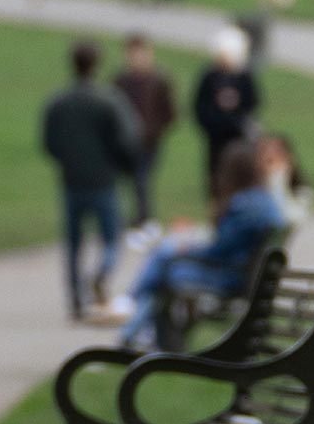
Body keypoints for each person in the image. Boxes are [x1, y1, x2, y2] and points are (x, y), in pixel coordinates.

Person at [118, 142, 288, 353]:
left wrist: (187, 250)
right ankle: (137, 329)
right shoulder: (263, 201)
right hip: (241, 273)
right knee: (166, 259)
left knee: (166, 262)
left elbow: (218, 250)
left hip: (230, 277)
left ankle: (133, 320)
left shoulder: (245, 204)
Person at [41, 40, 139, 320]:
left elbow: (49, 142)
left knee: (74, 244)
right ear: (96, 64)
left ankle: (75, 300)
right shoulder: (109, 100)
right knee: (111, 239)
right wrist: (124, 167)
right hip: (104, 181)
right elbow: (126, 140)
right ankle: (101, 274)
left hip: (71, 181)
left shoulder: (59, 103)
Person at [111, 33, 175, 236]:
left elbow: (169, 112)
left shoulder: (159, 80)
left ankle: (143, 219)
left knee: (142, 180)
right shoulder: (120, 81)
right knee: (123, 181)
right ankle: (123, 219)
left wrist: (155, 131)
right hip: (124, 141)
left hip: (149, 142)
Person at [194, 25, 260, 199]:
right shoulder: (210, 78)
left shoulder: (243, 78)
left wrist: (238, 123)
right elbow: (200, 107)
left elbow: (252, 104)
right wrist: (212, 124)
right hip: (216, 138)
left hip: (238, 137)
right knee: (216, 174)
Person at [256, 132, 314, 229]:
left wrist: (277, 177)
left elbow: (285, 215)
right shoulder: (251, 196)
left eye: (277, 154)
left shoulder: (303, 195)